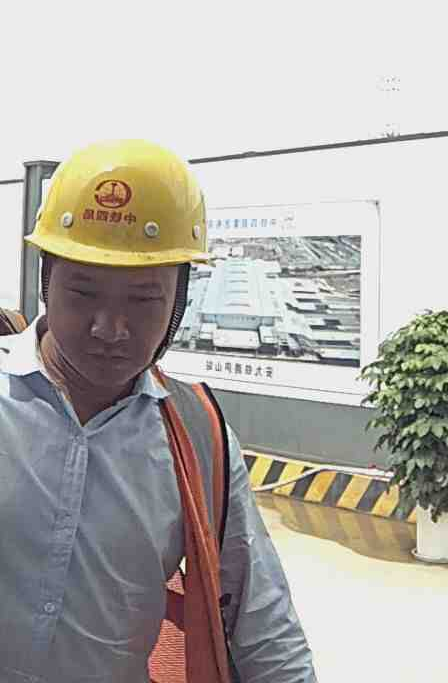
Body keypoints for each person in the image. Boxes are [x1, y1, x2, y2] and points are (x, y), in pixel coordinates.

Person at [0, 139, 317, 683]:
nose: (109, 329)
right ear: (47, 279)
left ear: (179, 299)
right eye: (83, 293)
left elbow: (263, 624)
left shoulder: (195, 436)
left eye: (143, 300)